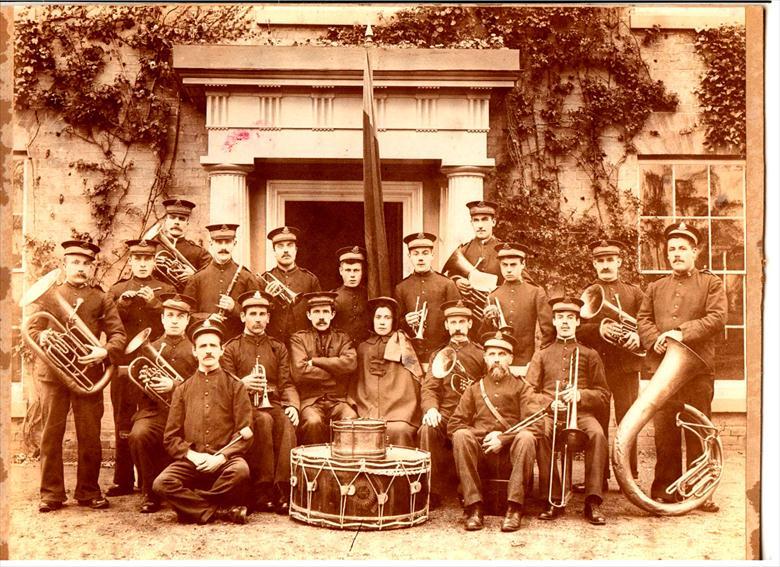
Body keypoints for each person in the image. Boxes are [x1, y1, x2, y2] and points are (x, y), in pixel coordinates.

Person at [28, 240, 127, 512]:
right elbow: (33, 330)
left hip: (88, 373)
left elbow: (118, 334)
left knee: (90, 435)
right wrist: (44, 334)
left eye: (85, 263)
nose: (80, 268)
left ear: (91, 267)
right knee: (50, 434)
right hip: (53, 373)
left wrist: (103, 352)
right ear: (64, 264)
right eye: (75, 262)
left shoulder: (101, 297)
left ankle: (88, 491)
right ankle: (51, 494)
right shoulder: (50, 295)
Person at [636, 221, 727, 512]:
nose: (676, 253)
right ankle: (665, 489)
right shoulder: (655, 287)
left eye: (682, 248)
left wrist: (681, 333)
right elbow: (643, 319)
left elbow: (717, 318)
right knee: (665, 433)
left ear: (695, 252)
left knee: (698, 431)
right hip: (664, 369)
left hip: (697, 371)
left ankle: (702, 492)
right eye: (672, 248)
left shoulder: (711, 283)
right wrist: (655, 340)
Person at [152, 319, 253, 525]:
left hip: (225, 463)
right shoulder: (182, 389)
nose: (208, 351)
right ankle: (221, 511)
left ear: (221, 350)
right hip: (192, 461)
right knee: (162, 484)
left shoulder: (236, 386)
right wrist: (193, 456)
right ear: (195, 352)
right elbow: (170, 438)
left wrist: (221, 458)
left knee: (241, 471)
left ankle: (193, 506)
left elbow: (245, 433)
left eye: (213, 346)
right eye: (203, 346)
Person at [526, 297, 610, 525]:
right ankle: (552, 498)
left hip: (580, 414)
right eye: (560, 318)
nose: (565, 322)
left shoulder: (590, 354)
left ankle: (592, 501)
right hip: (550, 413)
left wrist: (581, 395)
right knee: (542, 433)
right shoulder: (541, 354)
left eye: (570, 318)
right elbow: (528, 392)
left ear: (577, 323)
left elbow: (604, 394)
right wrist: (548, 403)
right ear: (553, 321)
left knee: (597, 434)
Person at [447, 330, 541, 532]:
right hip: (482, 453)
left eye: (501, 354)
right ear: (485, 358)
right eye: (491, 354)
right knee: (461, 436)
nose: (496, 360)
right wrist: (483, 436)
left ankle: (514, 509)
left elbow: (536, 424)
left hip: (512, 455)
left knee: (526, 437)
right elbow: (454, 424)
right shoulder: (474, 389)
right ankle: (474, 507)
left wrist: (503, 439)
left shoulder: (522, 388)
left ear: (510, 358)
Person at [107, 239, 175, 498]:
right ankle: (122, 480)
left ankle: (154, 479)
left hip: (155, 365)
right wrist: (121, 305)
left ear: (154, 261)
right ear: (132, 261)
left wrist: (156, 304)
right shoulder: (118, 289)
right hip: (124, 365)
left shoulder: (166, 288)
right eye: (138, 259)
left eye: (148, 259)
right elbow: (107, 321)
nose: (143, 264)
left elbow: (174, 317)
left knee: (154, 418)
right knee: (123, 422)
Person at [222, 290, 299, 515]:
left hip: (272, 400)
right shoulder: (231, 347)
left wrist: (293, 405)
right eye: (252, 313)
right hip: (243, 406)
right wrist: (243, 383)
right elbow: (225, 384)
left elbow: (287, 383)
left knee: (286, 422)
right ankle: (262, 489)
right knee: (263, 421)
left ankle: (283, 489)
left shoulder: (278, 347)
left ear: (268, 318)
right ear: (243, 317)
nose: (257, 319)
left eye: (262, 314)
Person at [578, 239, 645, 483]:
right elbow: (579, 329)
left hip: (627, 367)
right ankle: (598, 477)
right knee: (598, 422)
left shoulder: (634, 292)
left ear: (619, 261)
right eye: (600, 261)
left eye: (610, 260)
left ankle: (630, 474)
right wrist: (600, 331)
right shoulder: (588, 293)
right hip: (599, 369)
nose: (606, 265)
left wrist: (637, 336)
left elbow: (647, 323)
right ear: (594, 264)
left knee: (629, 420)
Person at [128, 292, 198, 513]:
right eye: (170, 315)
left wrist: (174, 386)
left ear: (187, 320)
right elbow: (136, 392)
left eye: (180, 316)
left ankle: (184, 488)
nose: (174, 320)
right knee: (138, 434)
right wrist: (146, 382)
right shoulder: (151, 347)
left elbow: (204, 388)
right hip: (155, 413)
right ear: (162, 319)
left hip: (188, 416)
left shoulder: (197, 350)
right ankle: (149, 493)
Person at [418, 299, 485, 509]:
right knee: (426, 430)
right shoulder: (439, 354)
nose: (457, 327)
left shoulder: (481, 354)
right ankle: (431, 491)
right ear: (446, 325)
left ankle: (468, 493)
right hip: (446, 413)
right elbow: (429, 387)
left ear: (470, 324)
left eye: (462, 322)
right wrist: (431, 409)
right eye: (453, 322)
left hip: (472, 416)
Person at [350, 297, 423, 447]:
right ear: (372, 320)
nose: (382, 322)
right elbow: (356, 384)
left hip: (400, 410)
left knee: (398, 430)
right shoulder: (363, 348)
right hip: (367, 408)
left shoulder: (403, 344)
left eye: (387, 317)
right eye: (378, 317)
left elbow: (415, 375)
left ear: (393, 321)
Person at [289, 292, 358, 445]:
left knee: (350, 419)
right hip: (310, 401)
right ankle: (315, 467)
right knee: (313, 422)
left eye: (325, 312)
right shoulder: (298, 339)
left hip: (338, 400)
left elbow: (350, 364)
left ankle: (345, 466)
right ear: (308, 315)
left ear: (332, 314)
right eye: (316, 312)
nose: (321, 317)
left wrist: (314, 361)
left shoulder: (343, 338)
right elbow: (299, 372)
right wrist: (335, 372)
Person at [481, 242, 555, 366]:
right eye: (505, 265)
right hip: (500, 361)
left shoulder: (536, 292)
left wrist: (538, 358)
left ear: (523, 265)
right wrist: (487, 320)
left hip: (527, 360)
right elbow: (484, 336)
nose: (509, 269)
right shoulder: (493, 295)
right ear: (500, 265)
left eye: (513, 265)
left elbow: (548, 331)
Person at [183, 223, 258, 340]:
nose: (223, 247)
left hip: (239, 344)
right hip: (207, 341)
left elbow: (257, 315)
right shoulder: (197, 278)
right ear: (211, 244)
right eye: (219, 242)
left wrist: (235, 308)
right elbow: (186, 313)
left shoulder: (247, 277)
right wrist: (207, 317)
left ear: (234, 243)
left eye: (228, 242)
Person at [394, 232, 461, 361]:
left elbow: (458, 318)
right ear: (409, 256)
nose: (420, 258)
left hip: (442, 352)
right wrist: (406, 321)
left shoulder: (447, 284)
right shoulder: (401, 287)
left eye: (425, 253)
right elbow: (395, 324)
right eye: (416, 254)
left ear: (432, 255)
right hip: (411, 354)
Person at [260, 226, 321, 343]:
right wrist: (267, 300)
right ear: (274, 251)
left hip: (304, 344)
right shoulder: (264, 279)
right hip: (273, 343)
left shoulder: (310, 279)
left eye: (290, 245)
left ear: (296, 250)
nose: (286, 250)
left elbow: (318, 313)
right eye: (280, 246)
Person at [447, 200, 504, 295]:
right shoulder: (463, 250)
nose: (480, 225)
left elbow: (522, 280)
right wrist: (457, 281)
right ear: (471, 223)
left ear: (493, 222)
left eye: (484, 219)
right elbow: (451, 275)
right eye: (476, 220)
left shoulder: (504, 251)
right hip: (469, 307)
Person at [153, 198, 212, 288]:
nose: (176, 222)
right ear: (166, 221)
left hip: (188, 299)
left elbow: (211, 278)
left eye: (181, 219)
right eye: (172, 218)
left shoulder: (199, 252)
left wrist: (194, 275)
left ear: (187, 224)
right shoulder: (153, 248)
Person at [332, 246, 370, 346]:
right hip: (341, 350)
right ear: (341, 271)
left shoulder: (370, 295)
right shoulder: (333, 297)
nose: (352, 275)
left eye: (356, 270)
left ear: (362, 271)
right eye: (348, 270)